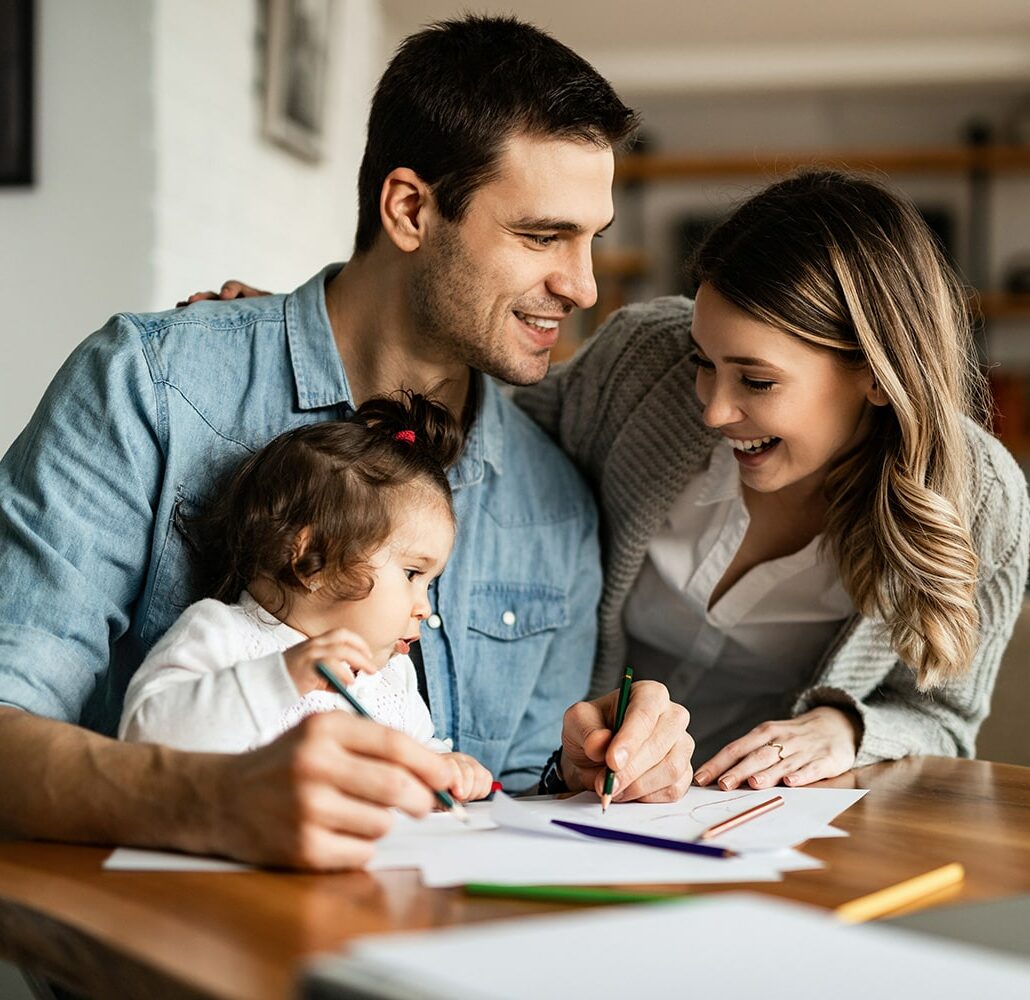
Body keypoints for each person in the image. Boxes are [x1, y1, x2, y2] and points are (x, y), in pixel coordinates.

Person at [0, 15, 693, 871]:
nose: (583, 285)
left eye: (593, 239)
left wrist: (587, 771)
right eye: (542, 236)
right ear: (409, 209)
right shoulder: (152, 388)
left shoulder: (552, 500)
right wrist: (210, 801)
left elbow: (507, 800)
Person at [517, 170, 1029, 790]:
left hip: (760, 816)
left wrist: (846, 728)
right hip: (558, 787)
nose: (713, 411)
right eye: (704, 361)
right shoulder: (641, 363)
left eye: (757, 381)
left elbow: (944, 721)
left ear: (876, 375)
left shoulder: (982, 501)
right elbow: (496, 460)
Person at [119, 392, 494, 803]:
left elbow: (417, 754)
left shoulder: (392, 676)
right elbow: (144, 739)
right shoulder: (221, 635)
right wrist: (279, 677)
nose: (425, 608)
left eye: (430, 584)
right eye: (412, 574)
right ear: (311, 561)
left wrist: (443, 767)